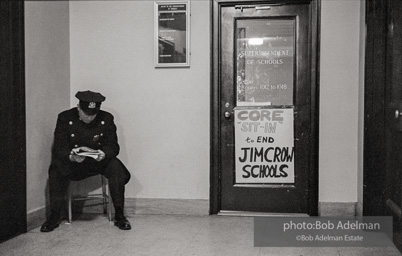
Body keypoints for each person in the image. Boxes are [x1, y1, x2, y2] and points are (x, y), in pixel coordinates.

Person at [41, 90, 131, 232]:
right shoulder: (65, 117)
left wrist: (104, 153)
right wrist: (71, 156)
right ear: (78, 108)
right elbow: (59, 147)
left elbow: (113, 146)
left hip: (96, 163)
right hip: (73, 163)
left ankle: (120, 215)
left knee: (116, 167)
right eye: (86, 113)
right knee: (56, 169)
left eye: (93, 114)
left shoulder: (106, 118)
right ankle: (54, 216)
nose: (89, 117)